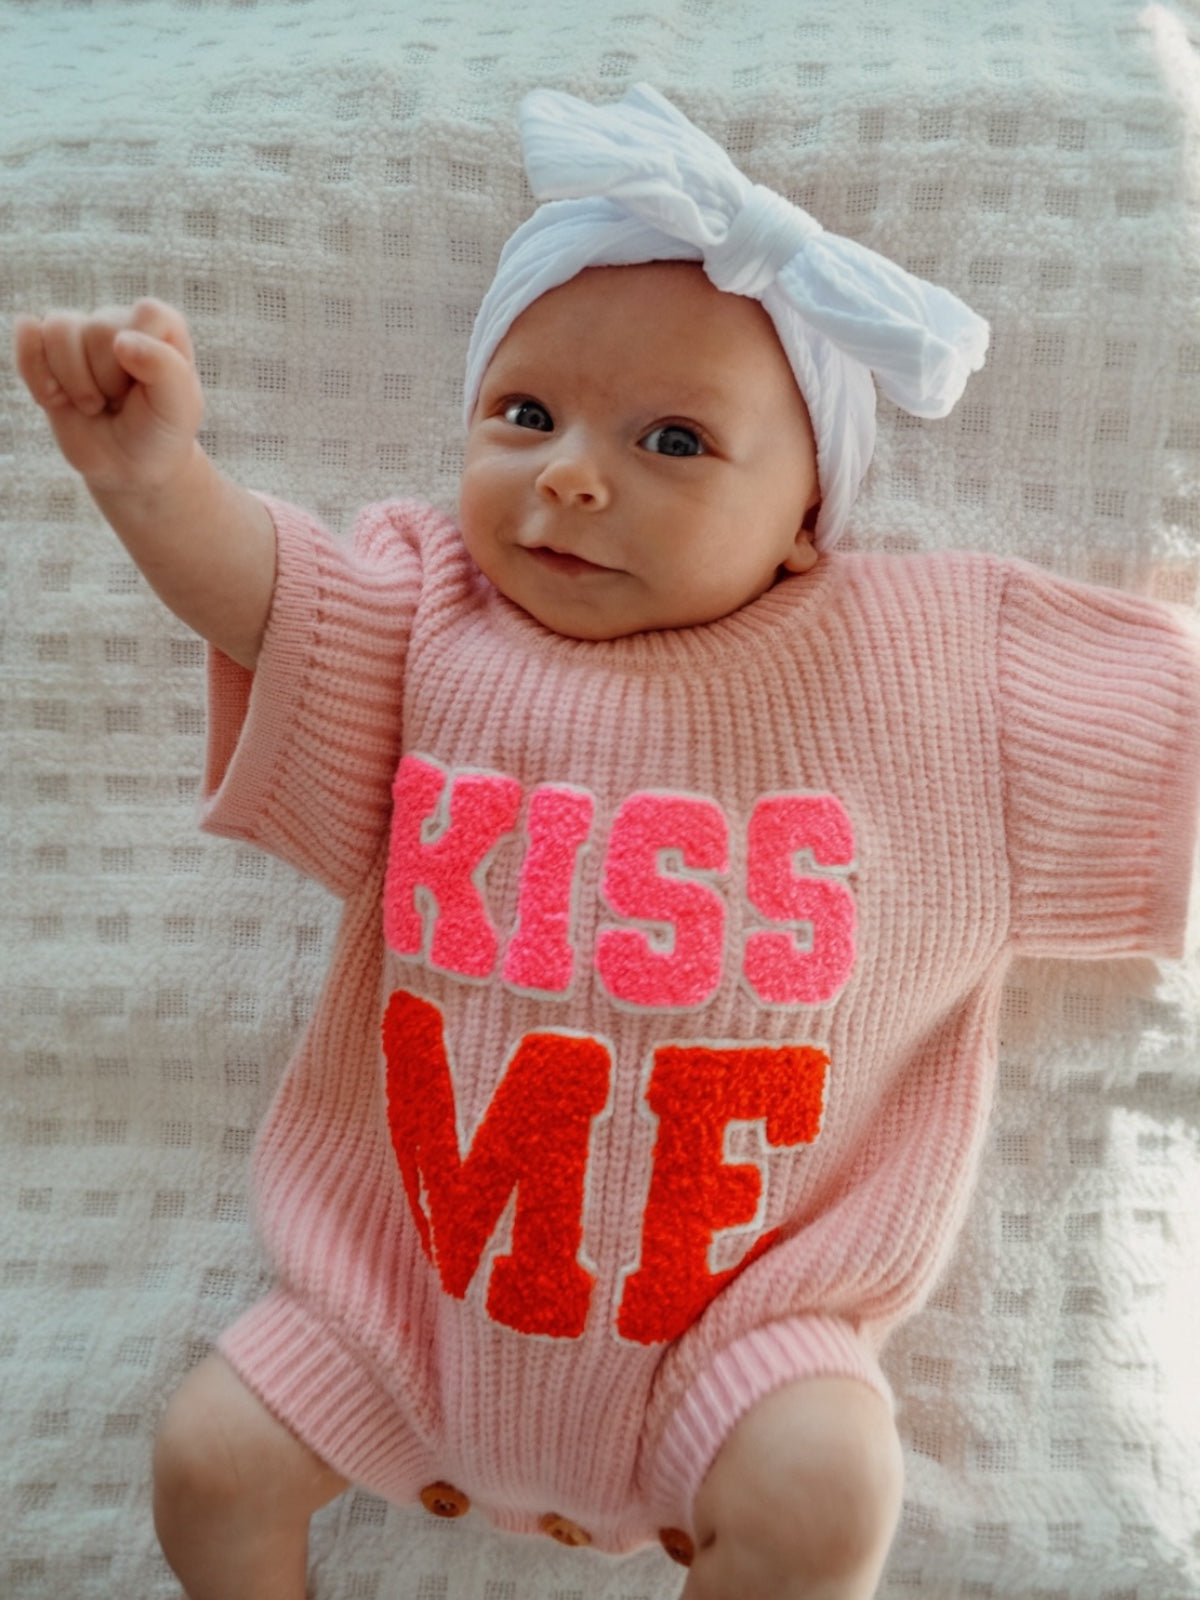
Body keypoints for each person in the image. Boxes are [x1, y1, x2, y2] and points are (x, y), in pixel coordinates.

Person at [13, 84, 1200, 1600]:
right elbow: (266, 591)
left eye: (675, 441)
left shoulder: (924, 665)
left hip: (737, 1331)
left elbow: (1161, 705)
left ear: (805, 521)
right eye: (525, 414)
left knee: (829, 1487)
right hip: (403, 1298)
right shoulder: (434, 613)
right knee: (209, 1463)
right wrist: (153, 481)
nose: (573, 474)